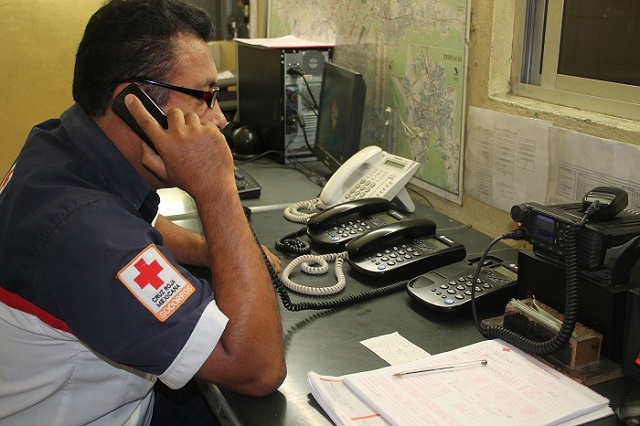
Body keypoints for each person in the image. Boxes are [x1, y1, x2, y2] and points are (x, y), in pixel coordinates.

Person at [0, 0, 286, 424]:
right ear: (132, 105)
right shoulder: (89, 235)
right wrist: (216, 188)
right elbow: (256, 367)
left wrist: (209, 251)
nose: (220, 120)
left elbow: (138, 220)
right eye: (206, 97)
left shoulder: (60, 148)